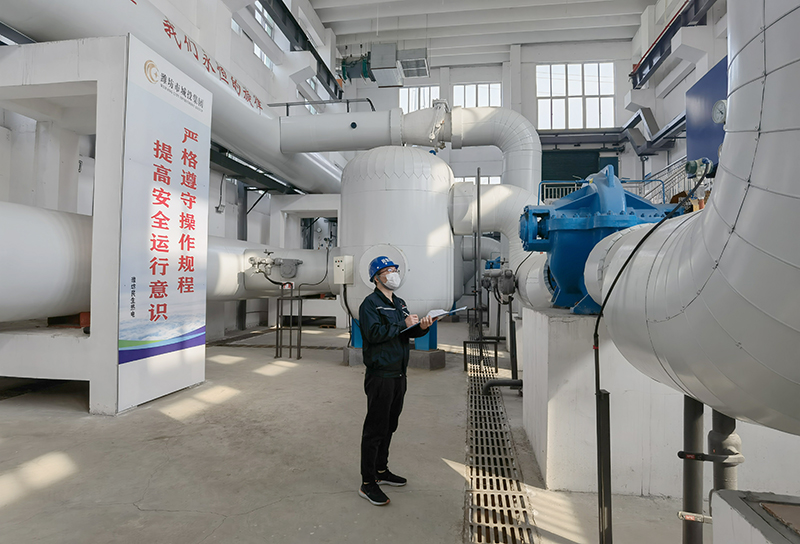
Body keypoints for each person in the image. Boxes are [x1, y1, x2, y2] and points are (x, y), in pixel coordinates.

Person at [357, 256, 434, 506]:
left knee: (390, 425)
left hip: (399, 374)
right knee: (375, 429)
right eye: (388, 270)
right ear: (376, 277)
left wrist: (423, 327)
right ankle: (367, 482)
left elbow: (405, 332)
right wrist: (403, 323)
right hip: (381, 375)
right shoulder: (370, 304)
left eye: (395, 270)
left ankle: (381, 470)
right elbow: (373, 334)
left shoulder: (399, 302)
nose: (393, 274)